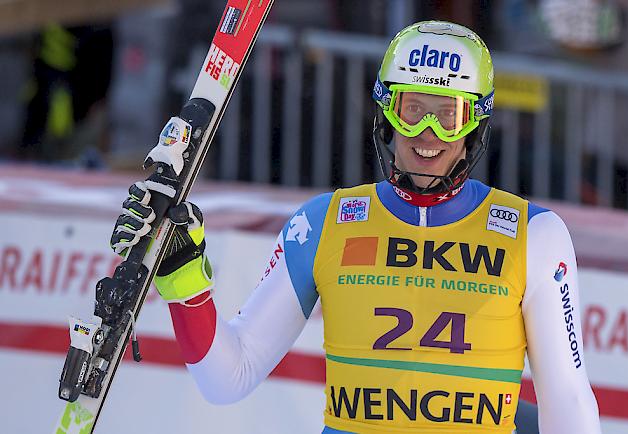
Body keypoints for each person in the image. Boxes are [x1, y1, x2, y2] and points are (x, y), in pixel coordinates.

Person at [111, 21, 601, 433]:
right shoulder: (322, 224)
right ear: (388, 112)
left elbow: (570, 409)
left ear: (475, 123)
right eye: (413, 110)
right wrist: (183, 277)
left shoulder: (533, 236)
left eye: (448, 114)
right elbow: (227, 378)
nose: (427, 133)